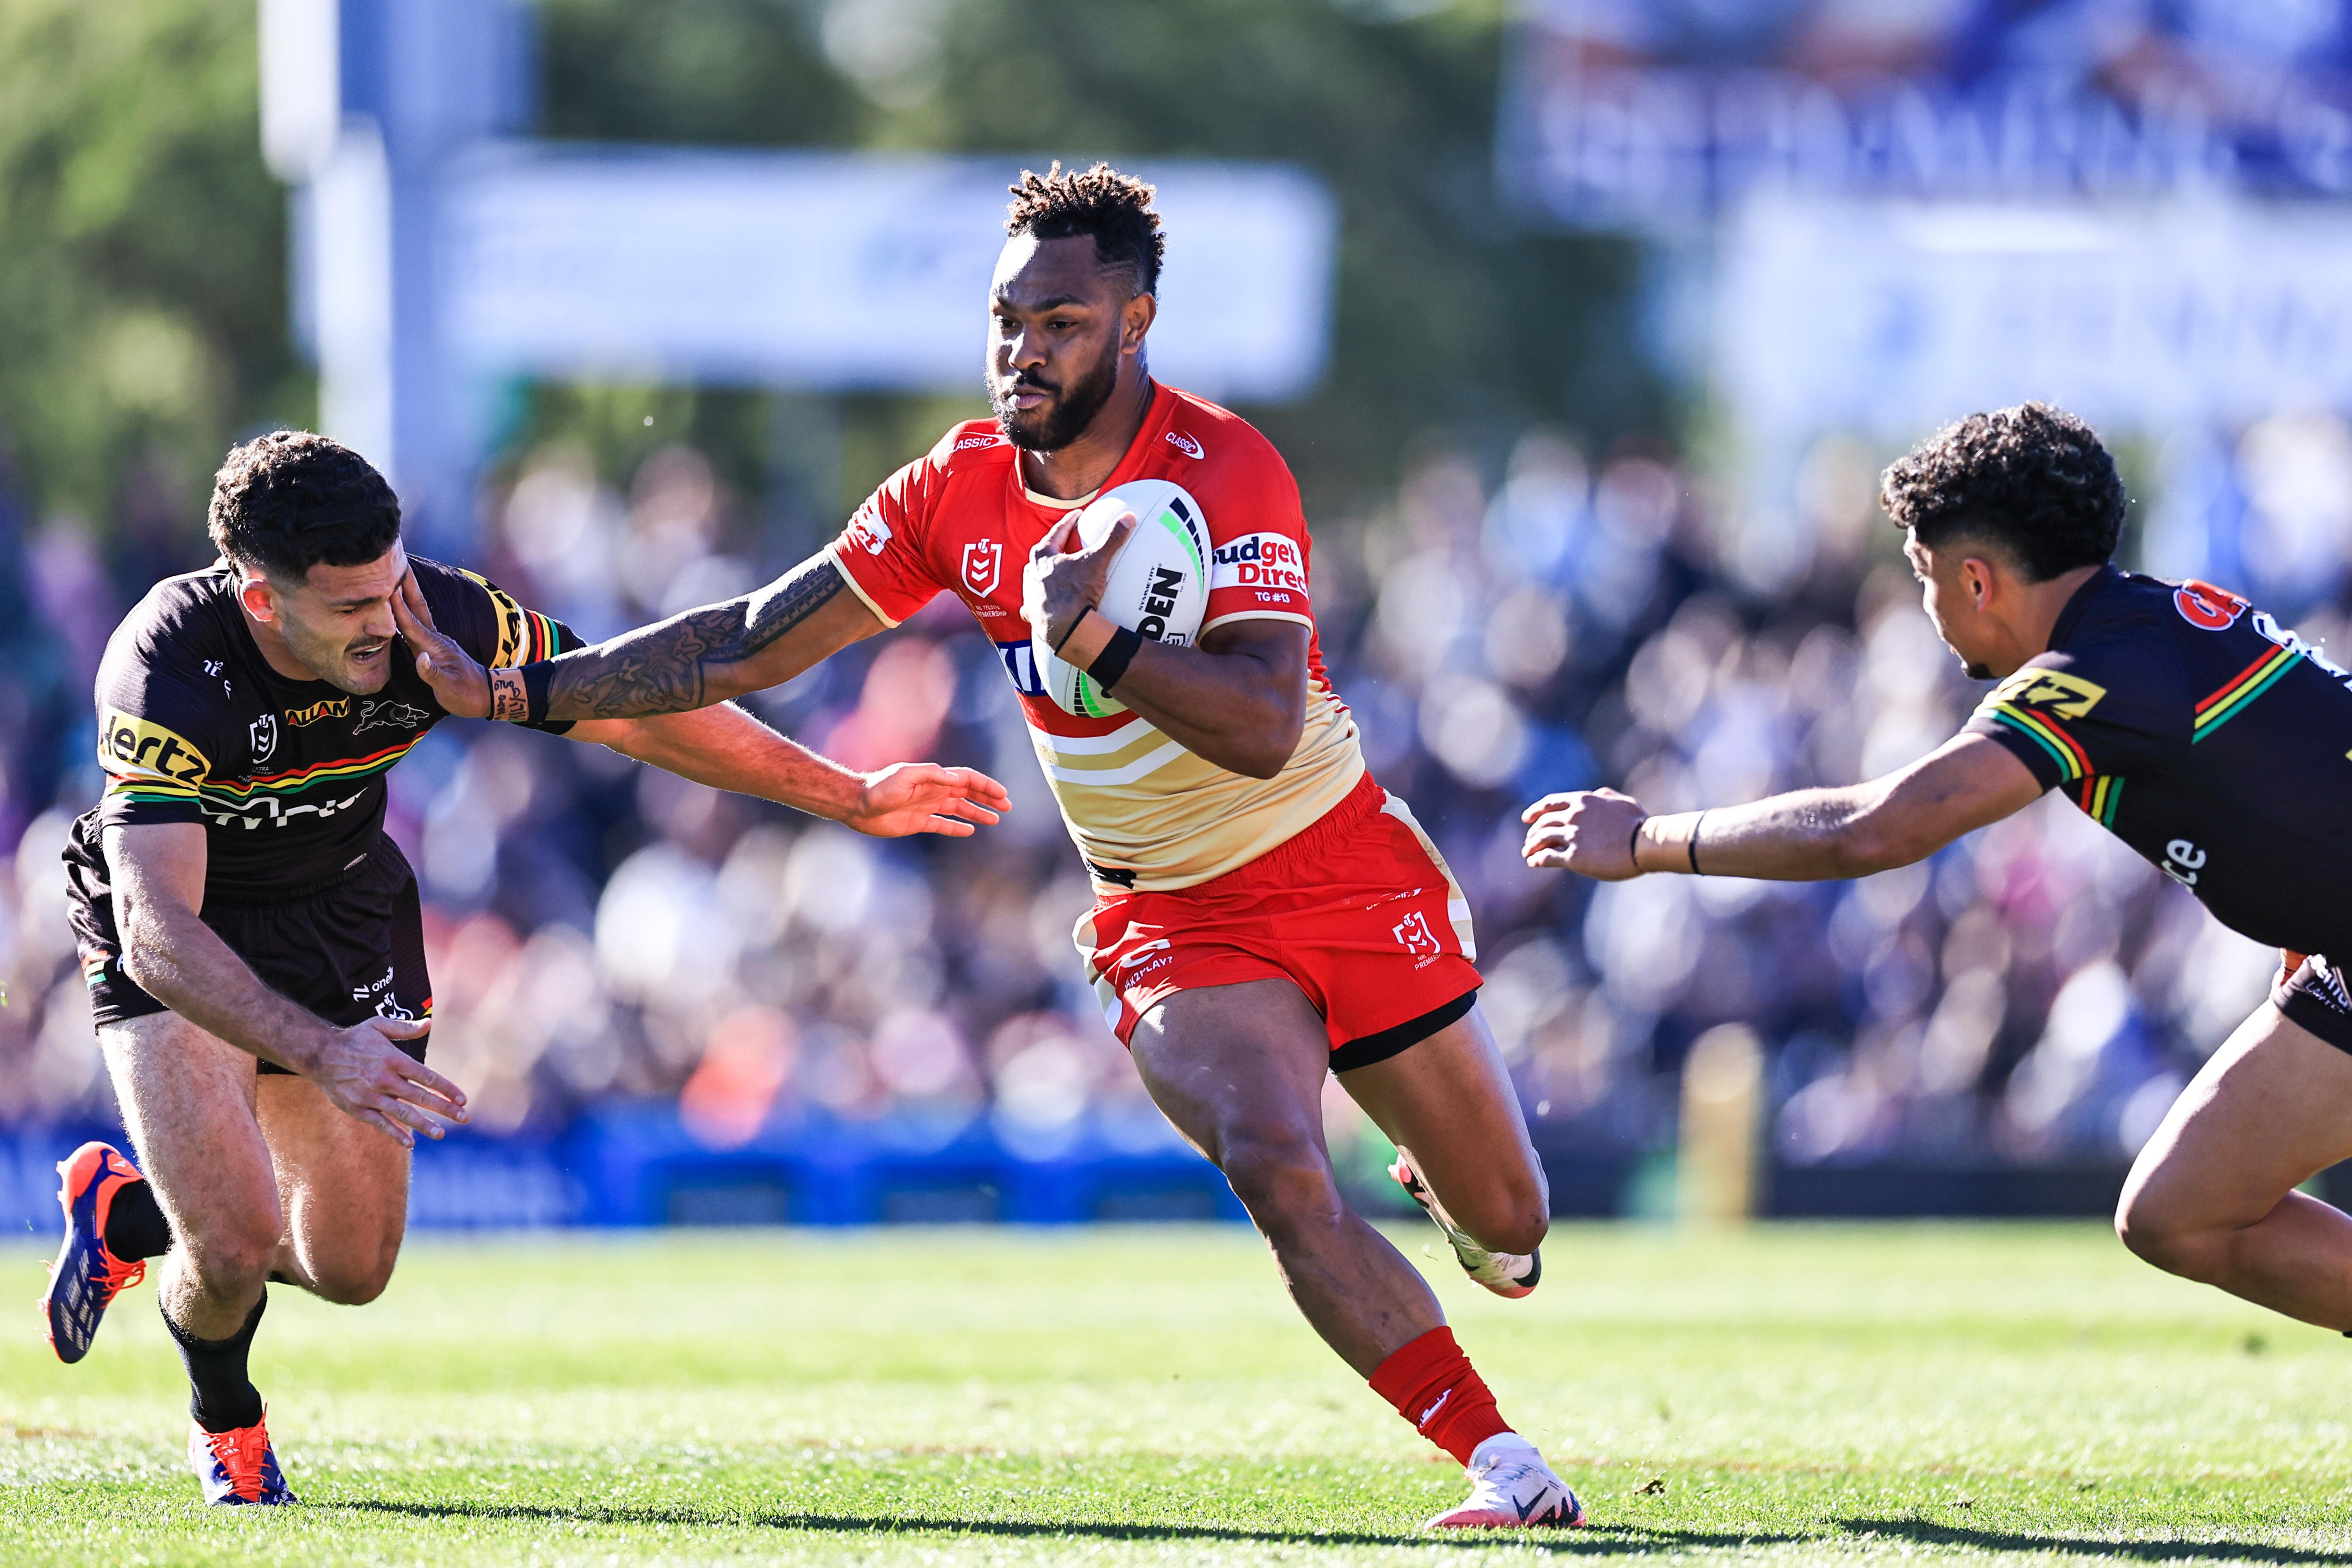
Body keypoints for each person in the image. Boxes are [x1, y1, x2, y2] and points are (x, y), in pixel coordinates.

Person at [394, 162, 1582, 1532]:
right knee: (1273, 1155)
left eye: (1061, 323)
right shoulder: (953, 490)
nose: (1023, 349)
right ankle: (1500, 1459)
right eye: (1008, 319)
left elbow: (1264, 725)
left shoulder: (1226, 465)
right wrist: (525, 689)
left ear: (1135, 324)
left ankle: (1454, 1188)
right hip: (1171, 915)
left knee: (1513, 1225)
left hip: (1334, 860)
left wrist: (1098, 639)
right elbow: (751, 638)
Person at [44, 430, 1008, 1505]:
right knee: (230, 1247)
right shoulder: (168, 661)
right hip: (185, 922)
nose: (386, 622)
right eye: (351, 607)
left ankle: (128, 1212)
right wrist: (321, 1050)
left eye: (391, 584)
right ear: (262, 600)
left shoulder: (437, 613)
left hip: (339, 905)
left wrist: (848, 794)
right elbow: (158, 929)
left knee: (352, 1269)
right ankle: (227, 1419)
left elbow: (634, 710)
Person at [1523, 401, 2352, 1335]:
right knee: (2181, 1209)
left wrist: (1647, 841)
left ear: (1976, 579)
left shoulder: (2088, 671)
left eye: (1923, 576)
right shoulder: (2157, 619)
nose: (1925, 607)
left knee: (2185, 1210)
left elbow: (1874, 830)